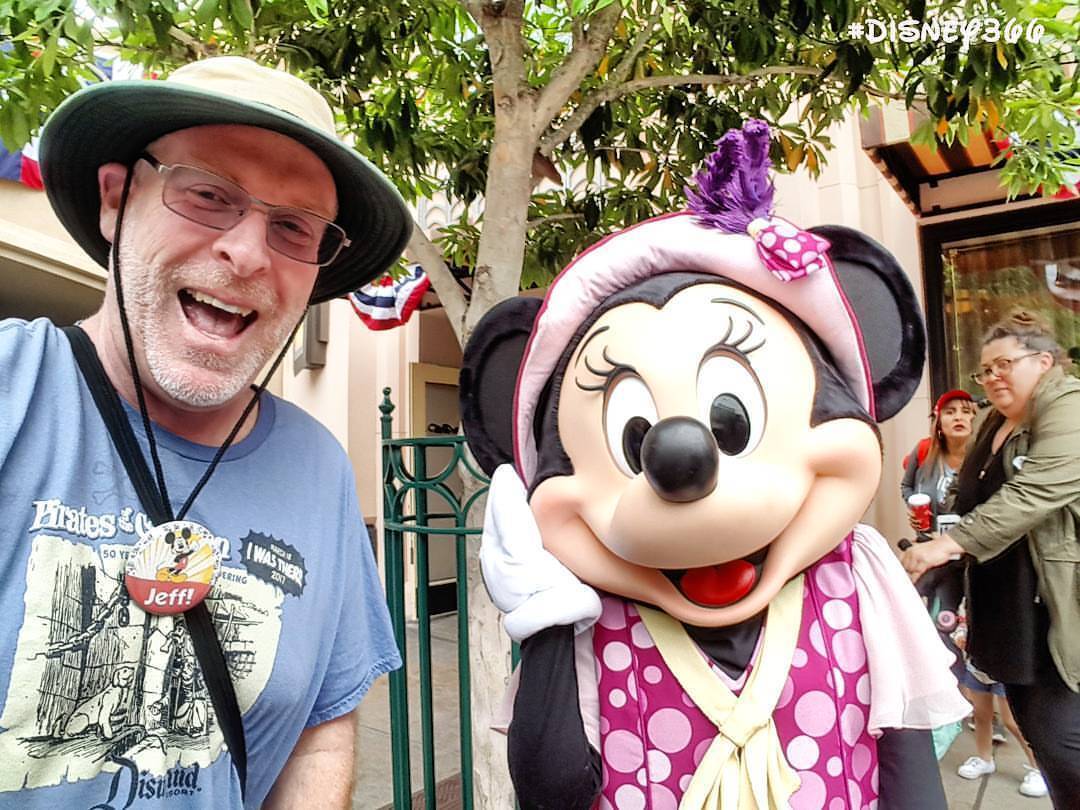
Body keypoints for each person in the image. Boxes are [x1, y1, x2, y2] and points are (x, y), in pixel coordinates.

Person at [0, 56, 412, 808]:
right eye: (208, 195)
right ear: (116, 200)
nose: (248, 253)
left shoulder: (318, 469)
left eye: (293, 227)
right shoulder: (10, 388)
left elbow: (321, 731)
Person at [902, 309, 1080, 806]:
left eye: (1005, 364)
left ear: (1044, 361)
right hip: (1009, 607)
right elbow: (967, 497)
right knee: (1040, 733)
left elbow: (1031, 495)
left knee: (1062, 739)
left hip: (1058, 604)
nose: (994, 376)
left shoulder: (1069, 406)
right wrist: (937, 541)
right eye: (986, 370)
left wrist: (949, 544)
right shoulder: (995, 421)